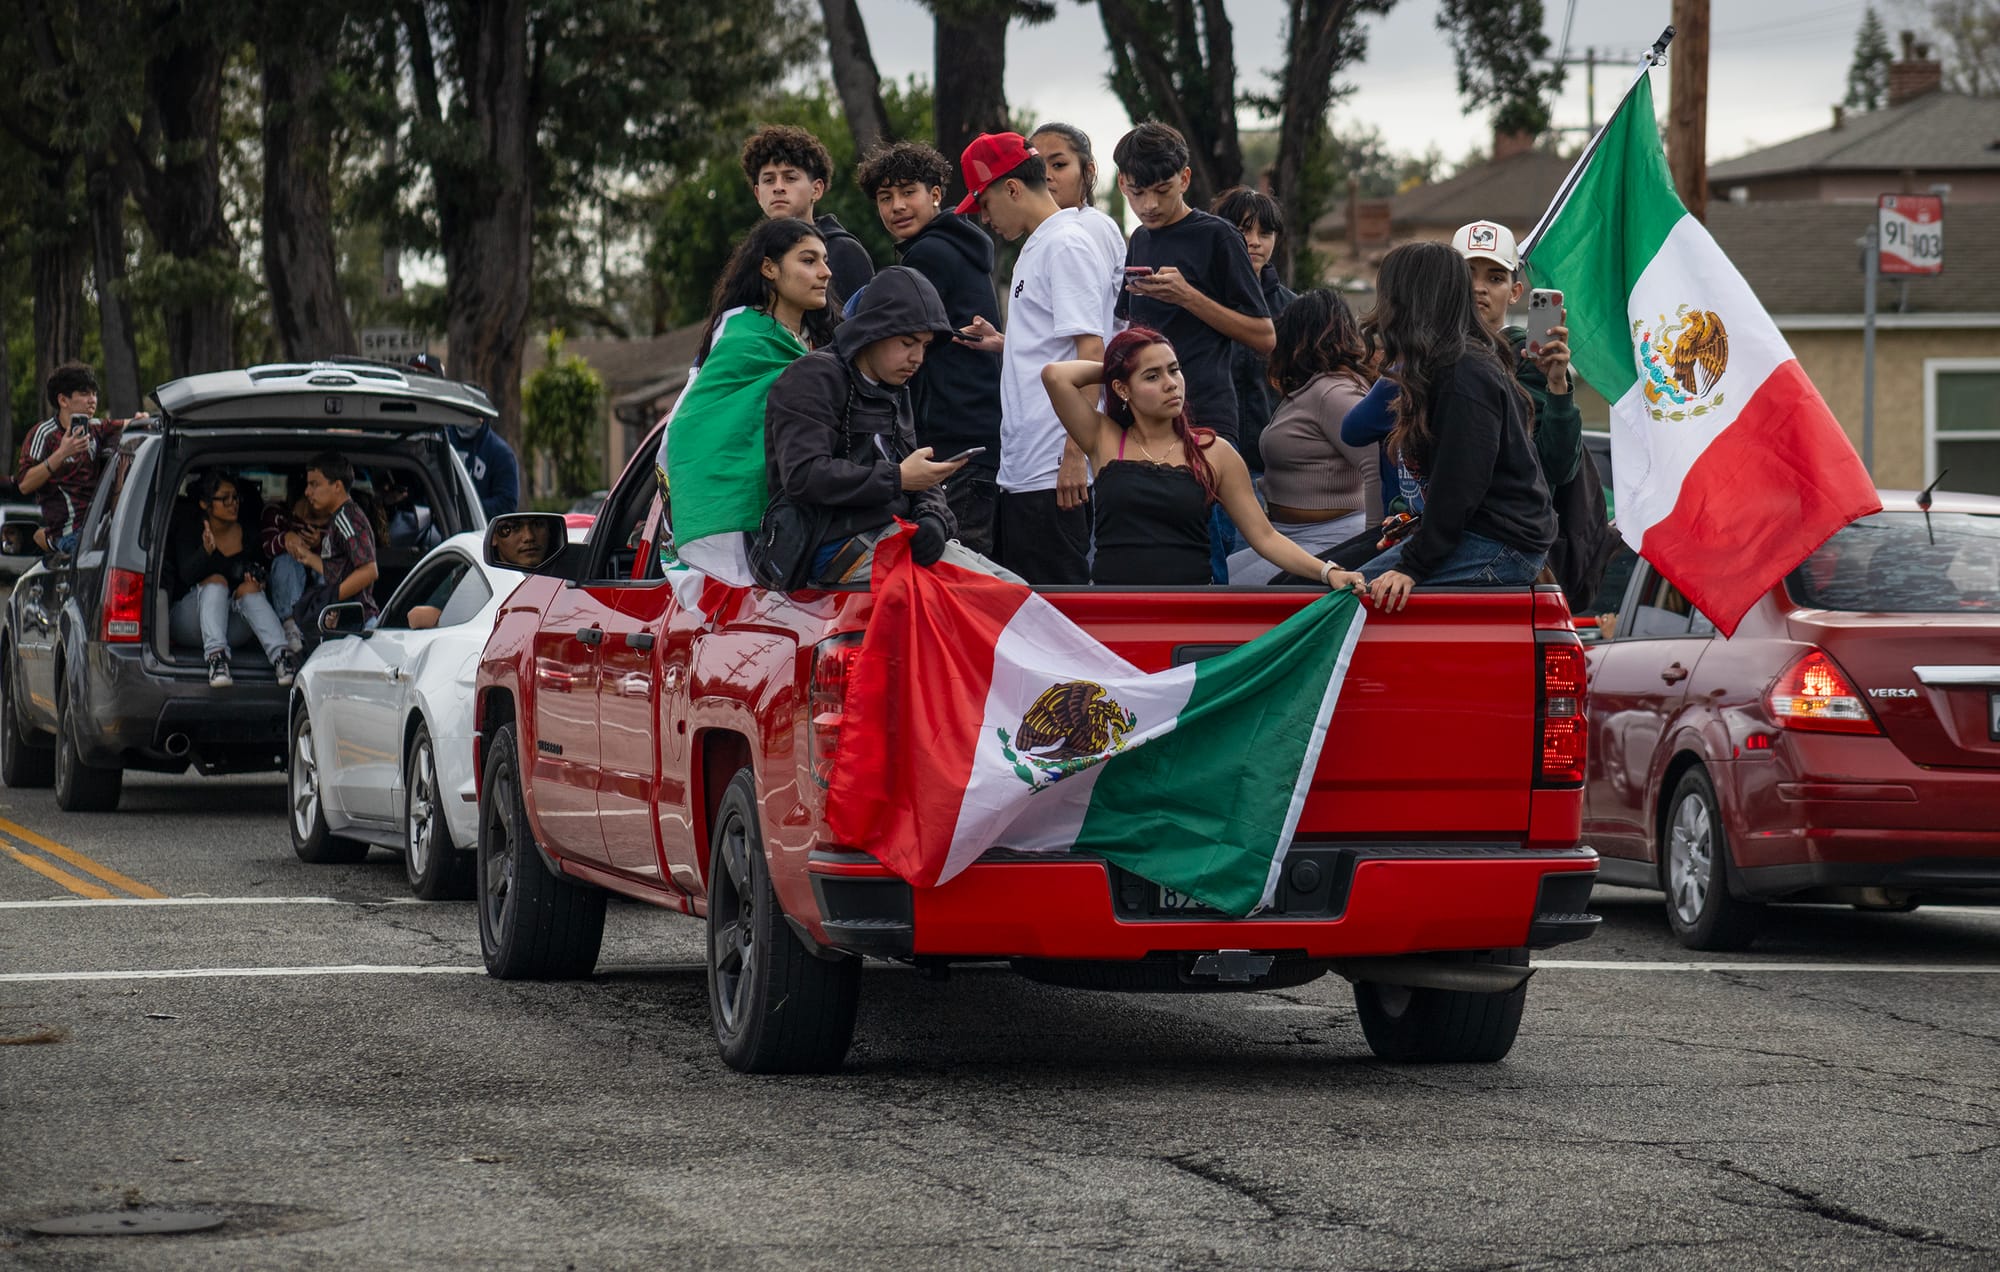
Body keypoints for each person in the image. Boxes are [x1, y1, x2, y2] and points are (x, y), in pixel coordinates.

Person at [1041, 327, 1365, 593]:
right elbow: (1055, 376)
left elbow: (1265, 537)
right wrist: (1119, 365)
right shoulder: (1105, 437)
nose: (1171, 384)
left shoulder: (1215, 451)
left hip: (1188, 608)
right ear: (1121, 389)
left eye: (1174, 370)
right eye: (1152, 376)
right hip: (1116, 609)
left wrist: (1328, 572)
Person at [764, 266, 1020, 587]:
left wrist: (933, 518)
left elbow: (917, 472)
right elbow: (803, 476)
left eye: (925, 345)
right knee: (994, 599)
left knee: (1016, 591)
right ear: (872, 332)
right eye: (907, 342)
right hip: (833, 548)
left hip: (894, 534)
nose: (918, 358)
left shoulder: (895, 386)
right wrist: (899, 479)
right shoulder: (813, 377)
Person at [951, 133, 1120, 585]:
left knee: (1056, 622)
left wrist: (1073, 455)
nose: (984, 218)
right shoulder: (1040, 243)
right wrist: (1008, 343)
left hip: (1054, 472)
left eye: (984, 204)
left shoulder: (1065, 244)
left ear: (1011, 188)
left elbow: (1091, 354)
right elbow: (1055, 347)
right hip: (1026, 471)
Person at [1354, 241, 1555, 612]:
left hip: (1501, 544)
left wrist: (1411, 565)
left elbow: (1460, 483)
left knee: (1342, 602)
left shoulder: (1464, 373)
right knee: (1301, 583)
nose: (1383, 310)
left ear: (1413, 299)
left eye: (1390, 295)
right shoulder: (1445, 363)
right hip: (1470, 531)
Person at [1112, 123, 1273, 580]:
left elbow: (1264, 335)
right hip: (1145, 429)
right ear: (1122, 184)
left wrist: (1189, 297)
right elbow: (1126, 331)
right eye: (1138, 192)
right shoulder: (1138, 240)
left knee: (1208, 564)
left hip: (1206, 424)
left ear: (1184, 179)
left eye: (1162, 190)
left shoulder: (1218, 236)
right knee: (1155, 563)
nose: (1150, 205)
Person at [1343, 219, 1583, 519]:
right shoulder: (1425, 354)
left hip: (1492, 535)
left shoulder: (1525, 357)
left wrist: (1558, 387)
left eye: (1495, 278)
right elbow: (1355, 429)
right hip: (1422, 525)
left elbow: (1557, 467)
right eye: (1467, 276)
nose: (1479, 288)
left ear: (1515, 291)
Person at [855, 141, 1004, 555]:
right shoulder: (953, 246)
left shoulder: (929, 256)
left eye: (908, 193)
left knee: (960, 571)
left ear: (936, 194)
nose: (897, 206)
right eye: (886, 198)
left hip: (956, 445)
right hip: (977, 437)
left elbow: (873, 339)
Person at [664, 218, 833, 581]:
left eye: (825, 260)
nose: (825, 272)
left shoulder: (824, 343)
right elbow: (690, 426)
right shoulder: (741, 337)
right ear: (769, 268)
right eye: (808, 261)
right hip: (773, 531)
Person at [1225, 290, 1380, 585]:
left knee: (1233, 595)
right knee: (1220, 579)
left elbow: (1375, 465)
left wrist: (1370, 548)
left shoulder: (1334, 392)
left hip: (1331, 536)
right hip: (1287, 535)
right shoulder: (1310, 389)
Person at [168, 471, 296, 688]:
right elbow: (186, 575)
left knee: (249, 590)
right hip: (191, 621)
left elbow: (260, 571)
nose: (232, 504)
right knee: (217, 582)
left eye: (235, 497)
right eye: (224, 498)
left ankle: (282, 657)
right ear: (205, 504)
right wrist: (205, 552)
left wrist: (257, 582)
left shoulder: (248, 534)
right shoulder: (191, 530)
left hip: (232, 626)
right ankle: (216, 660)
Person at [1210, 187, 1298, 481]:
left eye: (1266, 233)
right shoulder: (1199, 303)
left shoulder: (1292, 309)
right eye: (1243, 231)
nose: (1255, 242)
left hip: (1279, 468)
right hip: (1211, 460)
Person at [741, 124, 874, 305]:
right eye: (769, 180)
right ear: (757, 194)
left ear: (816, 190)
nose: (778, 187)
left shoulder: (843, 251)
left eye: (790, 178)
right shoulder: (750, 260)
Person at [15, 361, 132, 554]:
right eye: (84, 393)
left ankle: (44, 537)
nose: (92, 400)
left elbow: (131, 423)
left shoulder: (96, 427)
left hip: (101, 527)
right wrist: (61, 454)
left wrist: (141, 418)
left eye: (94, 393)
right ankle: (48, 538)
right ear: (63, 400)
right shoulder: (44, 434)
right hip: (71, 534)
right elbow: (25, 484)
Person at [289, 451, 382, 634]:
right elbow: (338, 571)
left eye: (314, 485)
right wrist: (308, 557)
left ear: (337, 486)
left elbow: (369, 570)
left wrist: (330, 598)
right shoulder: (339, 518)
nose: (307, 492)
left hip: (358, 624)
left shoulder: (347, 518)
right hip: (343, 624)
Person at [1028, 122, 1127, 286]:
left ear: (1088, 172)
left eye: (1058, 165)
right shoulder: (1046, 230)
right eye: (1036, 166)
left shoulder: (1091, 225)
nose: (1045, 175)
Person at [446, 416, 520, 521]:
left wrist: (466, 508)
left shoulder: (501, 454)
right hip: (434, 530)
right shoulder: (436, 443)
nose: (468, 415)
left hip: (480, 533)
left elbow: (506, 504)